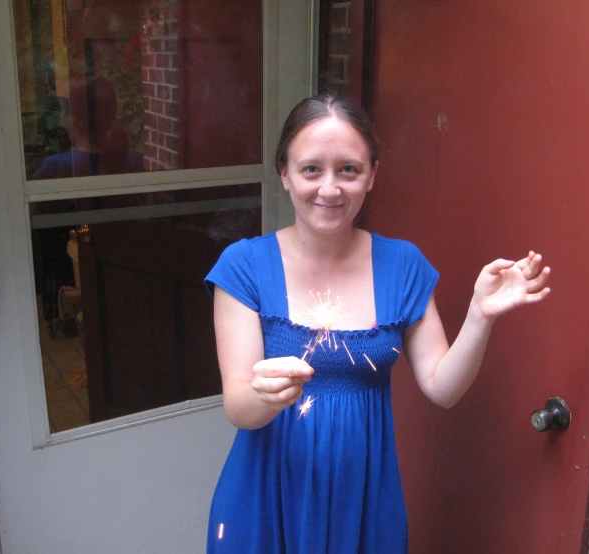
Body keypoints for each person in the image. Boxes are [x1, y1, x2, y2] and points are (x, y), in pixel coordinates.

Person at [204, 94, 550, 553]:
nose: (330, 189)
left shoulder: (402, 264)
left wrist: (479, 315)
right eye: (311, 169)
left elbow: (442, 388)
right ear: (284, 173)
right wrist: (265, 396)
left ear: (372, 175)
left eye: (348, 169)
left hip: (363, 500)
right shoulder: (244, 266)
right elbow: (239, 410)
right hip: (267, 500)